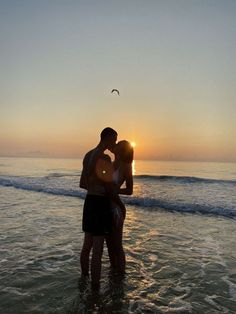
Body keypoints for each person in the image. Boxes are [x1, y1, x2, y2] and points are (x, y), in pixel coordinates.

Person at [79, 127, 126, 289]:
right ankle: (95, 289)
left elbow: (82, 183)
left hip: (89, 201)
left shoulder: (87, 155)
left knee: (87, 246)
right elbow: (109, 187)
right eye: (114, 140)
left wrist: (94, 186)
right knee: (97, 249)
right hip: (100, 204)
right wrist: (119, 202)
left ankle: (84, 278)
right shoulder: (104, 158)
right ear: (108, 138)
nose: (114, 143)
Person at [106, 140, 134, 274]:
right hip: (104, 207)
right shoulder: (109, 164)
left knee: (117, 245)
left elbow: (130, 190)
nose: (115, 145)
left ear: (122, 151)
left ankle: (121, 276)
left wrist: (115, 190)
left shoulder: (126, 166)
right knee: (109, 246)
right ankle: (113, 273)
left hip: (116, 208)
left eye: (119, 145)